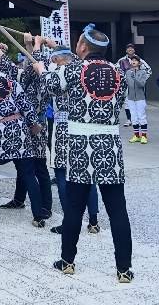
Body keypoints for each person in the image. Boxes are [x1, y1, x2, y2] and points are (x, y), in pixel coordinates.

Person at [33, 24, 133, 283]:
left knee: (75, 208)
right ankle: (123, 269)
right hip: (110, 144)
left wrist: (42, 68)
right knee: (118, 210)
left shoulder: (74, 69)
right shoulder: (118, 73)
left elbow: (49, 85)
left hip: (79, 144)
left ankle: (67, 261)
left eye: (78, 43)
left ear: (84, 47)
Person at [0, 39, 47, 229]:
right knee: (29, 175)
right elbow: (25, 105)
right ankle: (38, 216)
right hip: (21, 129)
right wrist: (34, 124)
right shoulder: (11, 81)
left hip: (0, 133)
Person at [38, 43, 99, 236]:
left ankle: (69, 221)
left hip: (63, 126)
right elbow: (73, 55)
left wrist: (39, 59)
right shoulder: (83, 70)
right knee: (88, 174)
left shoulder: (57, 71)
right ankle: (94, 221)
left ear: (57, 59)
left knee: (62, 174)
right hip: (85, 126)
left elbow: (47, 85)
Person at [3, 33, 52, 218]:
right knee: (23, 163)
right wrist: (29, 45)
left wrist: (37, 45)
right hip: (24, 123)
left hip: (37, 123)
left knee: (39, 166)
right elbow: (29, 65)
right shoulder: (27, 76)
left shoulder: (43, 77)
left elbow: (35, 64)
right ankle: (19, 199)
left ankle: (46, 205)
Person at [118, 44, 151, 125]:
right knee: (128, 102)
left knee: (139, 103)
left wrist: (142, 79)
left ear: (134, 50)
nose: (130, 50)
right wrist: (123, 80)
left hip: (138, 85)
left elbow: (149, 70)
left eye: (131, 49)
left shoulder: (140, 60)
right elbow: (116, 70)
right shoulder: (121, 61)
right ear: (126, 50)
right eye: (128, 49)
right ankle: (129, 119)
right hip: (127, 84)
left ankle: (140, 120)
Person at [125, 56, 151, 144]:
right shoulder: (128, 72)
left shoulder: (143, 72)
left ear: (139, 63)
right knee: (134, 117)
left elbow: (141, 84)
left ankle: (144, 136)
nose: (133, 62)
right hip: (131, 98)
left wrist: (134, 78)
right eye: (132, 60)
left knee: (141, 116)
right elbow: (126, 83)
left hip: (140, 98)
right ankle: (136, 135)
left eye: (135, 60)